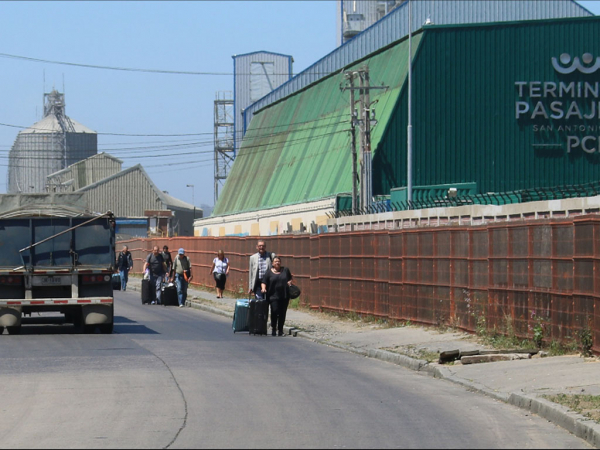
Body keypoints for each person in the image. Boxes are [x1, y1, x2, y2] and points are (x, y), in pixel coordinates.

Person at [261, 256, 294, 337]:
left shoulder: (285, 270)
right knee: (274, 311)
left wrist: (290, 282)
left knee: (282, 313)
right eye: (275, 261)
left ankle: (280, 330)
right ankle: (273, 328)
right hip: (273, 296)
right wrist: (263, 289)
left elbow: (290, 278)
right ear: (272, 263)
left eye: (278, 261)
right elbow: (264, 282)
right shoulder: (269, 272)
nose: (277, 262)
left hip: (284, 295)